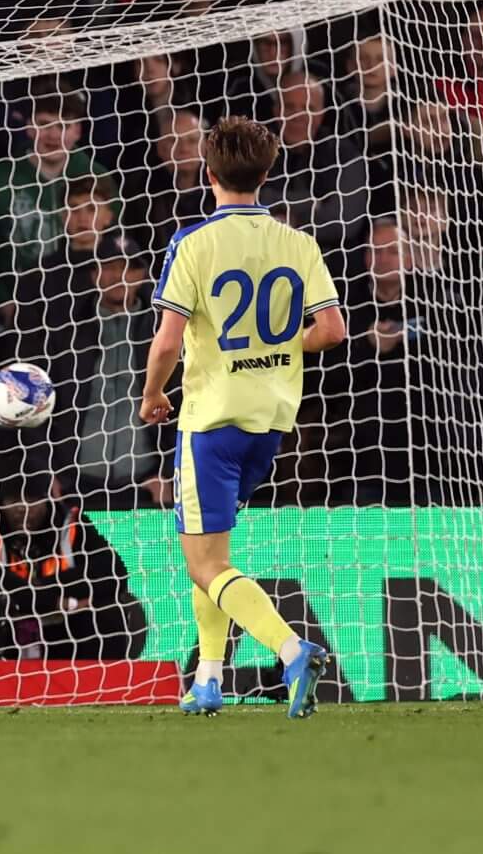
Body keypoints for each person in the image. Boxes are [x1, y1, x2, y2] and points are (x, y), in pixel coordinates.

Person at [142, 115, 347, 718]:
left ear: (208, 174)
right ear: (267, 173)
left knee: (205, 563)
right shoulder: (298, 243)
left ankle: (291, 649)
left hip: (210, 421)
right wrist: (283, 347)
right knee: (208, 554)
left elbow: (166, 341)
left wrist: (153, 394)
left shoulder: (193, 242)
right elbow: (332, 330)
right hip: (272, 422)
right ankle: (207, 678)